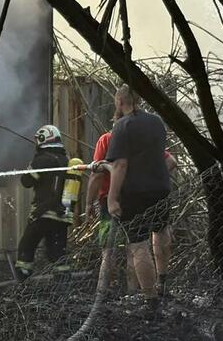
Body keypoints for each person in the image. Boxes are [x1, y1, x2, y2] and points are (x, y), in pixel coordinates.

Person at [86, 109, 177, 295]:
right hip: (138, 198)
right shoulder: (143, 142)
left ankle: (102, 293)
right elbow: (171, 162)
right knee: (134, 247)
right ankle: (133, 292)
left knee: (109, 250)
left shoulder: (106, 139)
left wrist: (89, 203)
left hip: (110, 202)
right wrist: (147, 178)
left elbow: (96, 176)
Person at [104, 85, 172, 311]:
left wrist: (112, 199)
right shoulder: (157, 122)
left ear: (120, 101)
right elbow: (162, 157)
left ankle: (151, 300)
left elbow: (120, 165)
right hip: (161, 188)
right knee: (161, 231)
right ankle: (163, 281)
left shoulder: (122, 126)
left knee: (138, 245)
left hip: (135, 194)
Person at [15, 125, 72, 281]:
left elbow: (26, 181)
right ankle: (63, 286)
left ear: (42, 139)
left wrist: (31, 166)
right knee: (58, 253)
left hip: (43, 214)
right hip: (62, 215)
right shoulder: (66, 160)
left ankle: (23, 285)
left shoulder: (42, 160)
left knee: (26, 247)